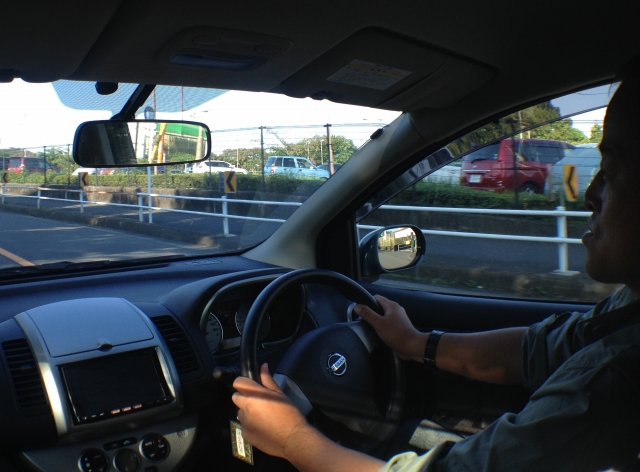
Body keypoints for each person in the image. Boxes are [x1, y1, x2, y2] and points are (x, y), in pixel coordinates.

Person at [233, 77, 640, 471]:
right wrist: (415, 343)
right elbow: (539, 350)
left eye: (611, 170)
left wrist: (292, 439)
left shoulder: (618, 375)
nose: (590, 194)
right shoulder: (628, 309)